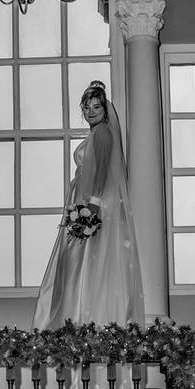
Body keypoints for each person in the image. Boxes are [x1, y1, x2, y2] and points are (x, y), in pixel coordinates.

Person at [32, 81, 145, 330]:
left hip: (96, 204)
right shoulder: (95, 133)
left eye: (96, 106)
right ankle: (79, 318)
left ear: (105, 109)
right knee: (82, 263)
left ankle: (81, 319)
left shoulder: (103, 133)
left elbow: (103, 167)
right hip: (85, 201)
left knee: (83, 263)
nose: (91, 111)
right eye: (87, 107)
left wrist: (92, 205)